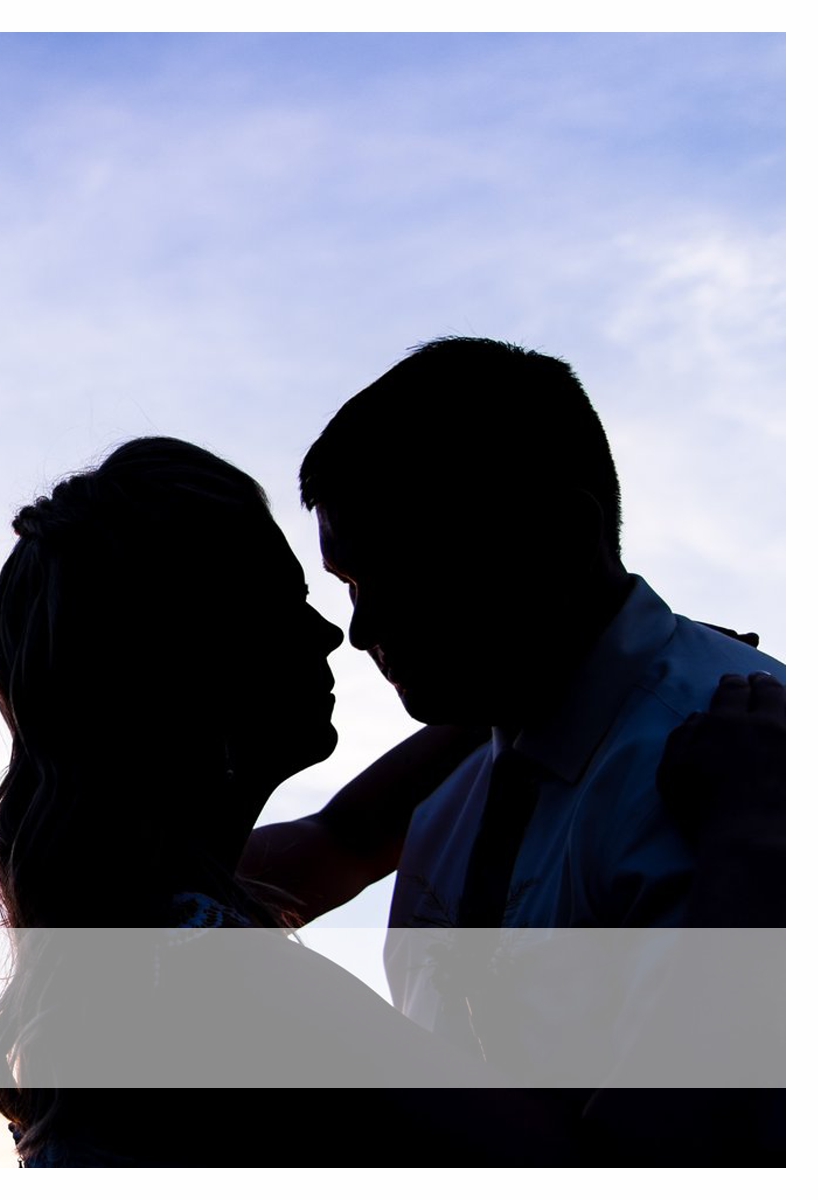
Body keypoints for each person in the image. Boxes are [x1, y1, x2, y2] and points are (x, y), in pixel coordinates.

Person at [238, 337, 785, 1162]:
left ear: (560, 538)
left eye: (394, 573)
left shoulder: (747, 774)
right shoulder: (448, 799)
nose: (356, 630)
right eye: (350, 583)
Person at [0, 436, 571, 1165]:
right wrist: (746, 836)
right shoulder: (238, 991)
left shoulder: (138, 918)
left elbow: (348, 836)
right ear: (198, 660)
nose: (331, 634)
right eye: (285, 603)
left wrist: (553, 677)